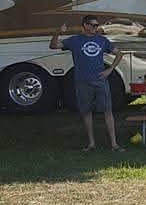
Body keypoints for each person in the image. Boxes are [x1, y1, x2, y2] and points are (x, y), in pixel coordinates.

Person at [50, 15, 124, 152]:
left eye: (97, 25)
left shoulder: (102, 40)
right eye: (93, 25)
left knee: (107, 111)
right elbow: (53, 45)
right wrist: (58, 32)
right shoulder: (75, 40)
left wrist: (110, 69)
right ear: (85, 25)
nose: (96, 28)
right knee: (86, 112)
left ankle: (114, 144)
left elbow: (119, 53)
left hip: (100, 80)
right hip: (82, 81)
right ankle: (91, 144)